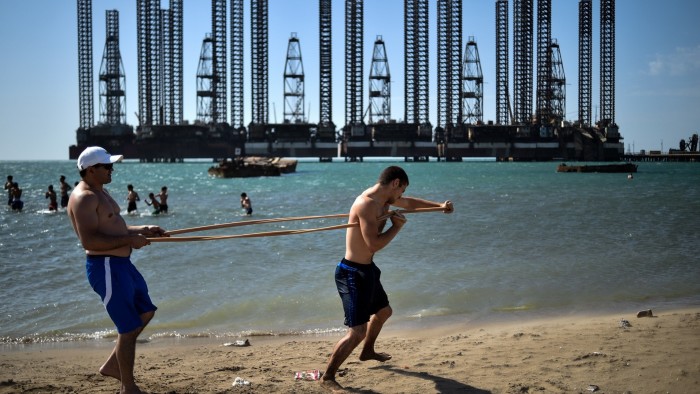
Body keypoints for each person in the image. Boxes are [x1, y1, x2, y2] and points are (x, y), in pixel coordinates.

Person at [320, 166, 453, 393]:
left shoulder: (384, 201)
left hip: (367, 269)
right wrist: (396, 227)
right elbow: (374, 245)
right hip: (351, 272)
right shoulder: (366, 204)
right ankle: (328, 377)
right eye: (401, 190)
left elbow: (410, 204)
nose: (401, 196)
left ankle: (367, 351)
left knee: (383, 312)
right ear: (395, 183)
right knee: (357, 331)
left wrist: (439, 207)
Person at [67, 146, 167, 394]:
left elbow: (113, 228)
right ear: (91, 170)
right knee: (128, 326)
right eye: (108, 166)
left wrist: (142, 229)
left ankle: (113, 365)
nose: (113, 170)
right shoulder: (85, 198)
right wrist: (129, 241)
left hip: (122, 265)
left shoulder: (101, 191)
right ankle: (128, 387)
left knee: (146, 312)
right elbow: (89, 241)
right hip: (106, 267)